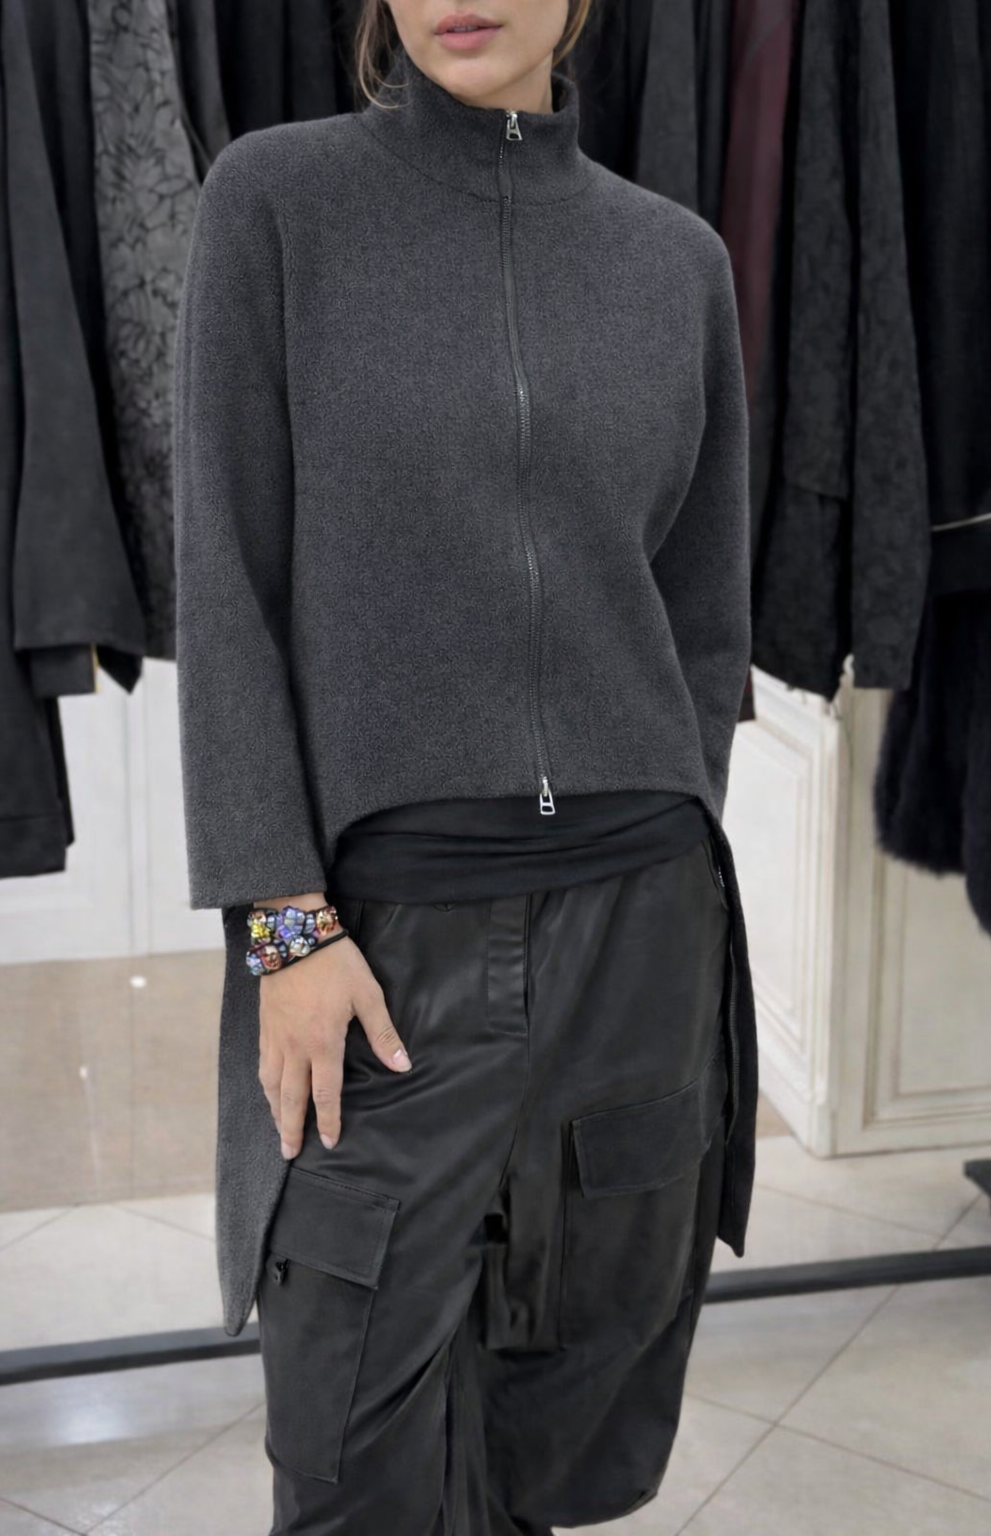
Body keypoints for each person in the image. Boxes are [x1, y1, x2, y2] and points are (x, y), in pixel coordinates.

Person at [172, 1, 757, 1531]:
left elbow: (705, 616)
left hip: (639, 930)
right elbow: (225, 587)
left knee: (567, 1426)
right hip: (383, 947)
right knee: (351, 1450)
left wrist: (674, 843)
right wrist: (281, 920)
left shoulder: (674, 262)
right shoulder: (277, 204)